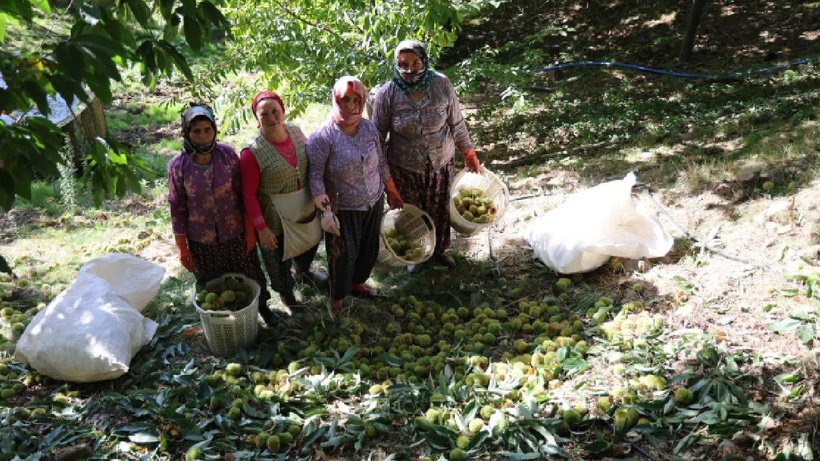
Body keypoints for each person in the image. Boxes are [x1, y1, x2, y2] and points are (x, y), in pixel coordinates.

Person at [371, 39, 481, 271]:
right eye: (403, 64)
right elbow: (377, 140)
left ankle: (439, 251)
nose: (410, 70)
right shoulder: (387, 94)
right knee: (411, 212)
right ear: (396, 64)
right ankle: (417, 254)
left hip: (440, 160)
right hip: (404, 166)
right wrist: (387, 182)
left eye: (415, 63)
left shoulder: (441, 84)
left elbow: (457, 123)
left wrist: (468, 152)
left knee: (440, 208)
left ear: (424, 60)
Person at [167, 104, 274, 325]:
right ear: (187, 133)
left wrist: (250, 231)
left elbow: (242, 193)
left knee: (250, 274)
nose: (203, 137)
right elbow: (177, 207)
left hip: (234, 230)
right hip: (201, 239)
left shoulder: (226, 156)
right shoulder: (179, 166)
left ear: (214, 129)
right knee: (213, 285)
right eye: (196, 132)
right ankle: (223, 322)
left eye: (208, 129)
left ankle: (263, 308)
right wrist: (181, 246)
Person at [306, 76, 404, 311]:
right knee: (342, 255)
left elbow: (380, 162)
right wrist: (326, 211)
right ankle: (338, 295)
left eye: (356, 99)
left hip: (373, 200)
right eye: (345, 100)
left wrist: (391, 190)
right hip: (344, 207)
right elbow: (315, 176)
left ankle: (357, 282)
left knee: (368, 249)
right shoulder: (323, 136)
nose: (351, 105)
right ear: (335, 100)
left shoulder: (369, 128)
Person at [240, 90, 327, 311]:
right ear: (256, 119)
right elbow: (248, 195)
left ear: (283, 111)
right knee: (278, 259)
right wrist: (262, 229)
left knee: (310, 239)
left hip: (303, 202)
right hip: (274, 213)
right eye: (264, 114)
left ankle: (303, 271)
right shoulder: (252, 152)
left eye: (275, 111)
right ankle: (287, 295)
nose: (271, 118)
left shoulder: (296, 132)